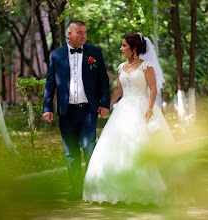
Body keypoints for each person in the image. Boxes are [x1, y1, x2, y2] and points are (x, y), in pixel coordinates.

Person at [83, 34, 174, 206]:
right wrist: (106, 105)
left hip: (142, 107)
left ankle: (146, 189)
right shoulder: (121, 67)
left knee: (141, 145)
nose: (121, 48)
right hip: (123, 109)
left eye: (124, 45)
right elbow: (118, 90)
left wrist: (149, 108)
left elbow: (153, 89)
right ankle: (116, 189)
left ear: (134, 48)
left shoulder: (147, 66)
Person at [42, 20, 110, 201]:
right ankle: (76, 189)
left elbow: (103, 78)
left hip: (88, 110)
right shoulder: (56, 55)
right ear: (69, 34)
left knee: (89, 148)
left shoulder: (94, 52)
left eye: (85, 32)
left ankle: (91, 188)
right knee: (71, 152)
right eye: (79, 32)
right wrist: (47, 108)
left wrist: (105, 102)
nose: (83, 36)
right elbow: (50, 84)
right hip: (66, 111)